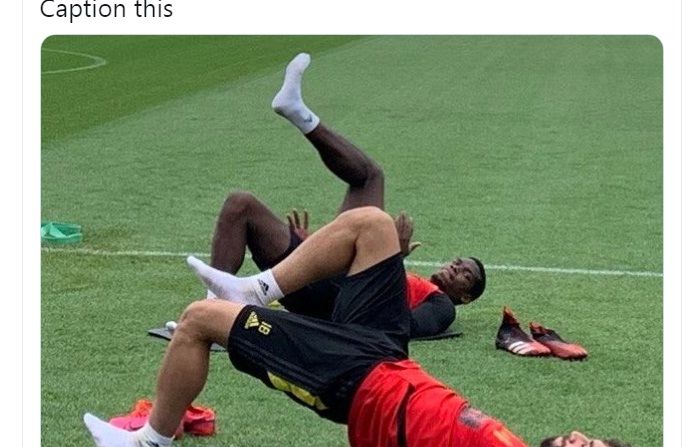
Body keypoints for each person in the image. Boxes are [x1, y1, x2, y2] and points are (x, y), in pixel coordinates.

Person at [84, 204, 639, 447]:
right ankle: (256, 289)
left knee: (200, 319)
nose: (574, 434)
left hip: (350, 379)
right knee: (372, 224)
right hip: (386, 361)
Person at [195, 53, 486, 338]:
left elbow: (399, 327)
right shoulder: (417, 281)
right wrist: (316, 247)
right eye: (458, 262)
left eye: (465, 275)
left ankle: (298, 112)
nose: (455, 267)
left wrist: (393, 259)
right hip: (328, 281)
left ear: (466, 297)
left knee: (371, 177)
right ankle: (212, 309)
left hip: (338, 300)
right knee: (240, 205)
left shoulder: (442, 305)